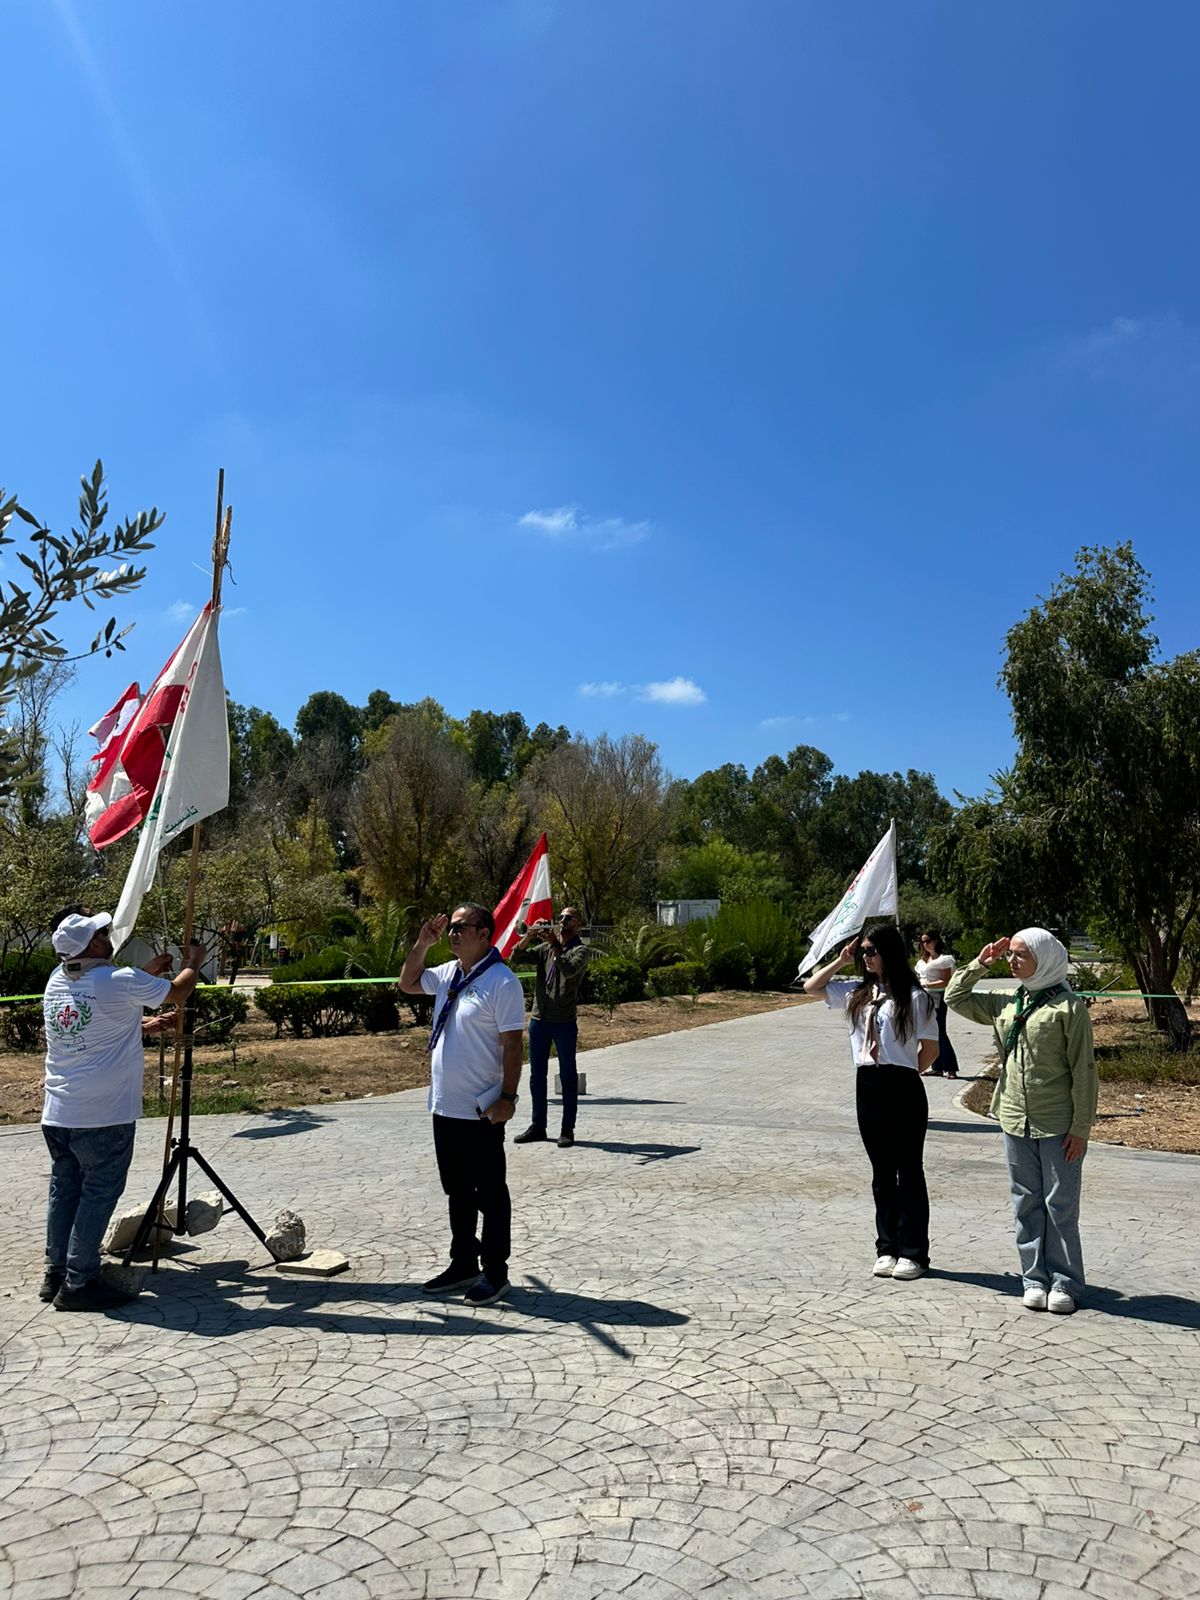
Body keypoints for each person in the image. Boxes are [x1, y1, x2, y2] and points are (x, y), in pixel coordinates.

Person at [41, 908, 207, 1312]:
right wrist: (194, 962)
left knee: (66, 1189)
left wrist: (144, 990)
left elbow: (98, 1017)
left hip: (59, 1112)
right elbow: (177, 992)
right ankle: (80, 1282)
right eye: (101, 932)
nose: (107, 935)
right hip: (103, 1114)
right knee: (98, 1192)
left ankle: (56, 1272)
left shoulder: (58, 979)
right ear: (93, 944)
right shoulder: (119, 980)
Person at [945, 928, 1096, 1315]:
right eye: (1010, 954)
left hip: (1058, 1122)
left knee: (1060, 1205)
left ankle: (1064, 1282)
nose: (1012, 961)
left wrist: (1081, 1128)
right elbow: (954, 997)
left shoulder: (1068, 1008)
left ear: (1044, 959)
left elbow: (1084, 1072)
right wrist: (980, 963)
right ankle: (1034, 1279)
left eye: (1020, 954)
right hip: (1014, 1117)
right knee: (1026, 1202)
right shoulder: (1006, 1001)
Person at [399, 901, 526, 1306]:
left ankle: (495, 1271)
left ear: (484, 934)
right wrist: (422, 943)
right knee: (457, 1191)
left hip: (481, 1109)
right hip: (445, 1105)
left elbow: (512, 1046)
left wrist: (508, 1098)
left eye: (461, 927)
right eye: (450, 926)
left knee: (490, 1193)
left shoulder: (502, 982)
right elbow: (407, 982)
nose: (452, 933)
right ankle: (464, 1262)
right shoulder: (449, 973)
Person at [804, 925, 939, 1281]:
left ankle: (913, 1252)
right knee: (882, 1172)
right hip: (868, 1083)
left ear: (890, 952)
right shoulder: (857, 993)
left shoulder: (915, 997)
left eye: (872, 950)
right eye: (863, 951)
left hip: (903, 1084)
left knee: (909, 1170)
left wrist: (905, 1070)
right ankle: (886, 1247)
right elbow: (811, 987)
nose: (866, 957)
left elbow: (930, 1049)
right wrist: (840, 960)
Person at [513, 907, 591, 1148]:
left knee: (568, 1077)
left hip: (564, 1022)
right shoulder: (545, 948)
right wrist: (529, 935)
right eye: (561, 918)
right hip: (539, 1020)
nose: (562, 921)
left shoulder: (581, 950)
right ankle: (538, 1126)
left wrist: (555, 944)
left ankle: (567, 1129)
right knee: (537, 1076)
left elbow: (569, 970)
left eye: (568, 918)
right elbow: (516, 958)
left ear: (578, 924)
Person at [915, 930, 959, 1079]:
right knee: (930, 1033)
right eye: (922, 941)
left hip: (937, 998)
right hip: (923, 998)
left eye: (927, 941)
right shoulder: (923, 960)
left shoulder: (944, 959)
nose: (925, 944)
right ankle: (937, 1067)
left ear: (935, 941)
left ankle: (951, 1068)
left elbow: (946, 981)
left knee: (940, 1032)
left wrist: (926, 985)